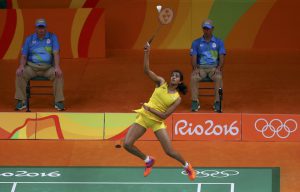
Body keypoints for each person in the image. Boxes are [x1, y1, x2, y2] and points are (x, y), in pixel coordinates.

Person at [123, 42, 196, 181]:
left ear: (180, 81)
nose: (173, 77)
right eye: (172, 75)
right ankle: (147, 160)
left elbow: (164, 115)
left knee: (169, 151)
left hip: (157, 121)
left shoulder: (177, 98)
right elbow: (146, 70)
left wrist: (149, 108)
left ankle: (187, 166)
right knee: (127, 144)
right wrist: (146, 52)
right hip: (144, 117)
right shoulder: (161, 82)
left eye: (176, 76)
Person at [15, 18, 65, 111]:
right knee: (20, 73)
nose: (41, 30)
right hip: (31, 68)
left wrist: (57, 67)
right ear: (36, 29)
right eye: (39, 28)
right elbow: (24, 55)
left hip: (47, 68)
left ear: (46, 28)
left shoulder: (52, 37)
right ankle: (21, 101)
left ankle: (58, 101)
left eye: (43, 28)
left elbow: (56, 53)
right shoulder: (29, 39)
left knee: (59, 75)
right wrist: (21, 66)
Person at [190, 19, 226, 112]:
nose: (206, 31)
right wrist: (195, 69)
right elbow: (194, 57)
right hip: (201, 68)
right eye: (205, 28)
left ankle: (217, 102)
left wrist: (219, 68)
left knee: (218, 77)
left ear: (212, 29)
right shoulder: (196, 42)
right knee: (193, 77)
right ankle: (195, 101)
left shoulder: (219, 42)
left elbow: (221, 57)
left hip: (213, 68)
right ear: (202, 29)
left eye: (208, 29)